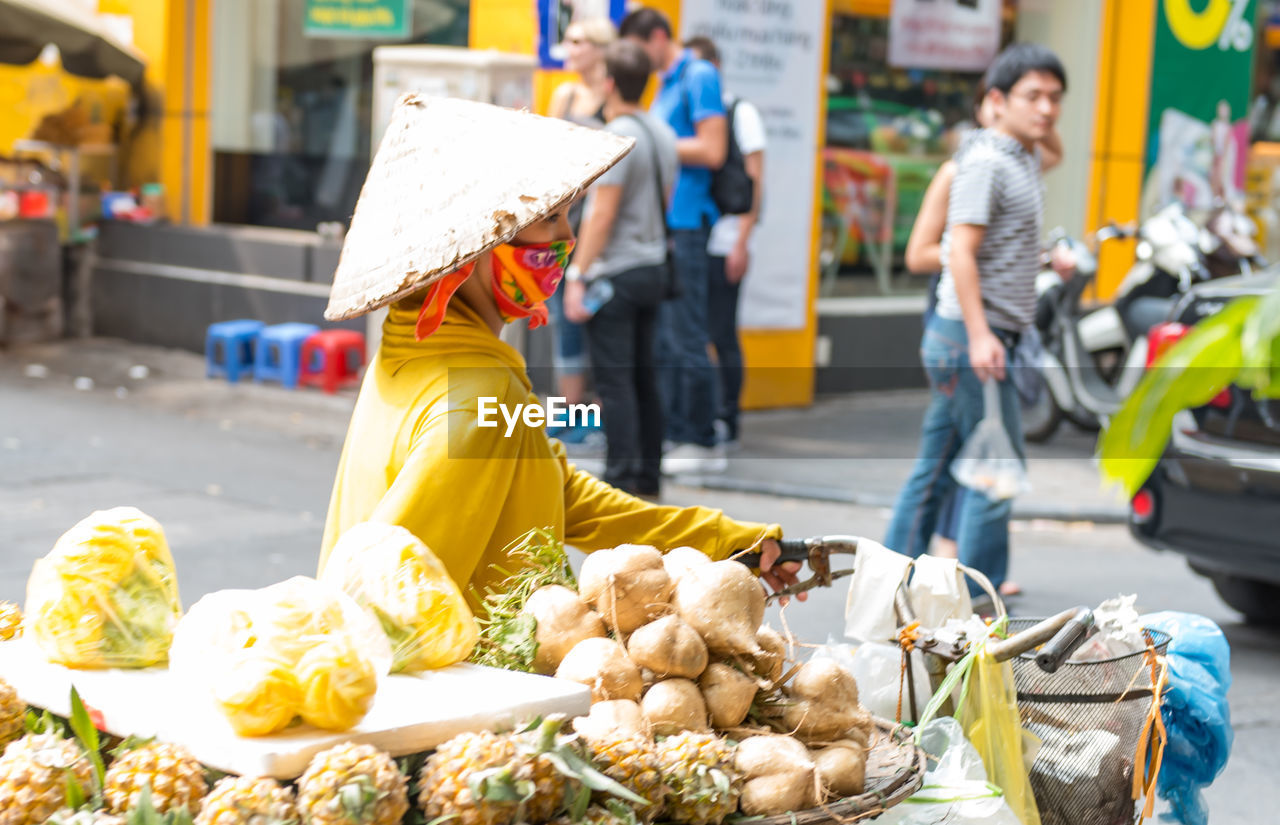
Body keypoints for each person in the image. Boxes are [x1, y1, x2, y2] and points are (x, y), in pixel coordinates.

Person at [318, 94, 801, 602]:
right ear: (478, 247)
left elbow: (562, 494)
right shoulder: (480, 395)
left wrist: (729, 541)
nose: (569, 236)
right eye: (550, 218)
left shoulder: (412, 358)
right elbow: (381, 593)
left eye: (569, 215)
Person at [884, 43, 1067, 599]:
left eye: (1056, 98)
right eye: (1032, 96)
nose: (1047, 110)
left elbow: (1053, 147)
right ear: (995, 100)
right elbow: (957, 252)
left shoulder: (1021, 155)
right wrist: (984, 335)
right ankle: (980, 601)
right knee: (995, 472)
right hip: (970, 337)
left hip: (970, 336)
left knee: (936, 470)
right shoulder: (985, 163)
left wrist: (1030, 112)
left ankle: (890, 580)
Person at [562, 41, 678, 499]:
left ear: (609, 83)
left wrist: (577, 275)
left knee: (614, 376)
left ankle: (623, 473)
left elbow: (601, 215)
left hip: (617, 271)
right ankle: (648, 471)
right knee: (644, 373)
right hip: (653, 267)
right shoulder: (663, 134)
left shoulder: (618, 139)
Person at [620, 8, 728, 474]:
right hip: (666, 224)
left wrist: (653, 139)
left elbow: (712, 148)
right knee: (666, 338)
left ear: (659, 38)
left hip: (688, 222)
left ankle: (700, 437)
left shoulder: (699, 75)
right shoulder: (665, 82)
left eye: (640, 50)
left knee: (687, 334)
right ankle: (674, 431)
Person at [685, 36, 765, 449]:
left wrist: (742, 242)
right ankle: (702, 413)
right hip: (697, 233)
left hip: (727, 236)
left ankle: (728, 416)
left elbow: (754, 181)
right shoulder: (693, 113)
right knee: (694, 331)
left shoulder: (741, 112)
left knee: (721, 331)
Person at [545, 17, 616, 443]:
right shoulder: (564, 94)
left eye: (577, 42)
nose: (569, 49)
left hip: (601, 225)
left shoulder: (613, 96)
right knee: (562, 321)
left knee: (599, 322)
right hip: (566, 223)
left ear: (600, 48)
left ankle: (599, 414)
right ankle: (569, 414)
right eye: (567, 40)